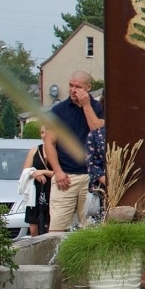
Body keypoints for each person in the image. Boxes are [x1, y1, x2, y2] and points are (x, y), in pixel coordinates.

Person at [44, 71, 104, 232]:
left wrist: (86, 106)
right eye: (71, 85)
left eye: (78, 86)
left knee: (91, 227)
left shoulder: (99, 108)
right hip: (66, 176)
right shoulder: (58, 111)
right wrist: (57, 171)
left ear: (88, 88)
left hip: (92, 177)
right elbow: (49, 142)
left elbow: (98, 132)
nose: (73, 90)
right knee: (57, 227)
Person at [20, 127, 54, 236]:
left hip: (53, 190)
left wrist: (42, 171)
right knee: (34, 229)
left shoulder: (60, 151)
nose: (44, 135)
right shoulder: (34, 150)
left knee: (50, 227)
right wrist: (34, 174)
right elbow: (26, 170)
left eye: (46, 132)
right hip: (36, 192)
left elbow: (62, 174)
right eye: (42, 132)